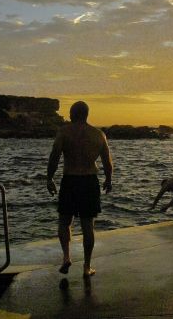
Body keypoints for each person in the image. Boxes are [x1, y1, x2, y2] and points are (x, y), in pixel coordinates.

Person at [47, 101, 113, 277]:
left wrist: (49, 178)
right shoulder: (98, 134)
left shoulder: (64, 132)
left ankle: (67, 257)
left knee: (64, 221)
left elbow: (54, 156)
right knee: (87, 226)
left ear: (72, 114)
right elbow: (107, 161)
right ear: (87, 114)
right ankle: (87, 266)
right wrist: (109, 179)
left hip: (70, 180)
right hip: (89, 181)